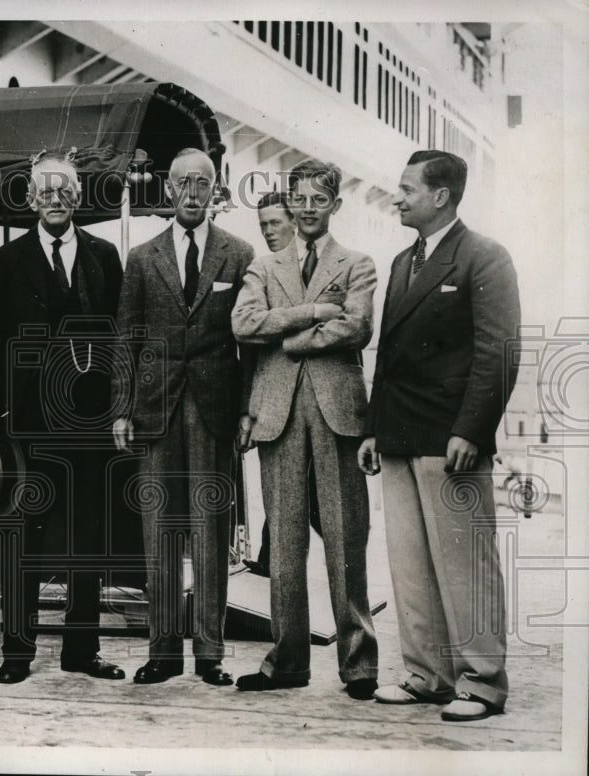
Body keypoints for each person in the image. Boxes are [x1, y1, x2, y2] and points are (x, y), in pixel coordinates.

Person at [359, 150, 520, 722]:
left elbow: (499, 353)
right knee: (410, 564)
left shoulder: (483, 257)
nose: (397, 197)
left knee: (464, 563)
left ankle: (483, 681)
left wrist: (471, 430)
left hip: (451, 439)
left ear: (441, 195)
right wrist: (374, 429)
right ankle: (427, 674)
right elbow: (390, 356)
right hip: (401, 435)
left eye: (406, 189)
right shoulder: (404, 262)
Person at [0, 153, 126, 684]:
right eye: (45, 191)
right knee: (26, 535)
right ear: (31, 199)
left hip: (90, 421)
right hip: (29, 423)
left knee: (87, 536)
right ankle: (17, 651)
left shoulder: (105, 256)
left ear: (77, 197)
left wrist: (121, 408)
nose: (55, 199)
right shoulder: (6, 261)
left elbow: (120, 342)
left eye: (64, 190)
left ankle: (82, 649)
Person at [231, 159, 379, 699]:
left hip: (338, 412)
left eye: (321, 199)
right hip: (278, 413)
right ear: (290, 204)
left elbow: (358, 326)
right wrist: (315, 310)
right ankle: (287, 662)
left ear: (335, 205)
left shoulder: (358, 263)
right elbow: (244, 324)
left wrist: (288, 337)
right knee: (286, 546)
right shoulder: (263, 266)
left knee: (346, 539)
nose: (310, 208)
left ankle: (359, 665)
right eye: (302, 199)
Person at [113, 148, 255, 687]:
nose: (192, 191)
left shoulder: (239, 254)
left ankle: (210, 654)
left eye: (203, 182)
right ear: (169, 191)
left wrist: (246, 412)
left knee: (210, 530)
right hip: (155, 409)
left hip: (215, 412)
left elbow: (251, 345)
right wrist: (121, 409)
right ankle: (163, 651)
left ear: (214, 190)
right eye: (183, 183)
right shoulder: (143, 257)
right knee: (160, 531)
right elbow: (125, 337)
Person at [246, 191, 322, 577]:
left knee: (318, 508)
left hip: (322, 405)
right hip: (276, 405)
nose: (268, 231)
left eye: (275, 223)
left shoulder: (324, 265)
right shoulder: (261, 268)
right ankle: (269, 575)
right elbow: (247, 326)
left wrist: (279, 325)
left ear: (295, 221)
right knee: (285, 504)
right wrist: (309, 315)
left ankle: (270, 570)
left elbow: (350, 331)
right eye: (262, 225)